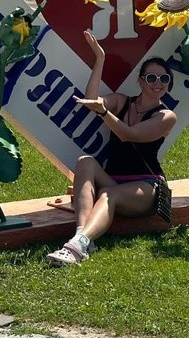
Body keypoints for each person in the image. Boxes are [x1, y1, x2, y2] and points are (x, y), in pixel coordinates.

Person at [46, 30, 177, 267]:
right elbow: (91, 99)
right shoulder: (122, 101)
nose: (158, 84)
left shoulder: (166, 116)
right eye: (151, 78)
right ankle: (83, 238)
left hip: (146, 186)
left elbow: (128, 135)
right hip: (116, 179)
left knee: (108, 194)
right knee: (86, 161)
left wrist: (104, 112)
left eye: (164, 79)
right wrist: (100, 59)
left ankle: (76, 247)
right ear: (140, 81)